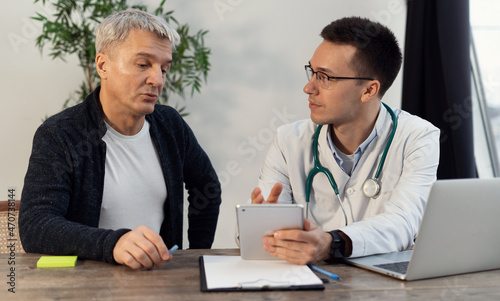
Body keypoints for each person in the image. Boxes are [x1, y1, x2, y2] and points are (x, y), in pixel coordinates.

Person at [19, 9, 221, 270]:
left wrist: (196, 256)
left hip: (159, 281)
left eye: (164, 68)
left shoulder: (170, 125)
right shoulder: (61, 134)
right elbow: (36, 225)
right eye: (143, 64)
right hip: (85, 287)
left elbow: (207, 187)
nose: (157, 80)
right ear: (103, 65)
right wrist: (113, 243)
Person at [251, 17, 440, 265]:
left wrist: (331, 243)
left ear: (369, 90)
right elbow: (257, 238)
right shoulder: (288, 141)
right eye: (312, 72)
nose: (309, 87)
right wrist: (262, 222)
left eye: (325, 77)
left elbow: (405, 224)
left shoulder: (417, 137)